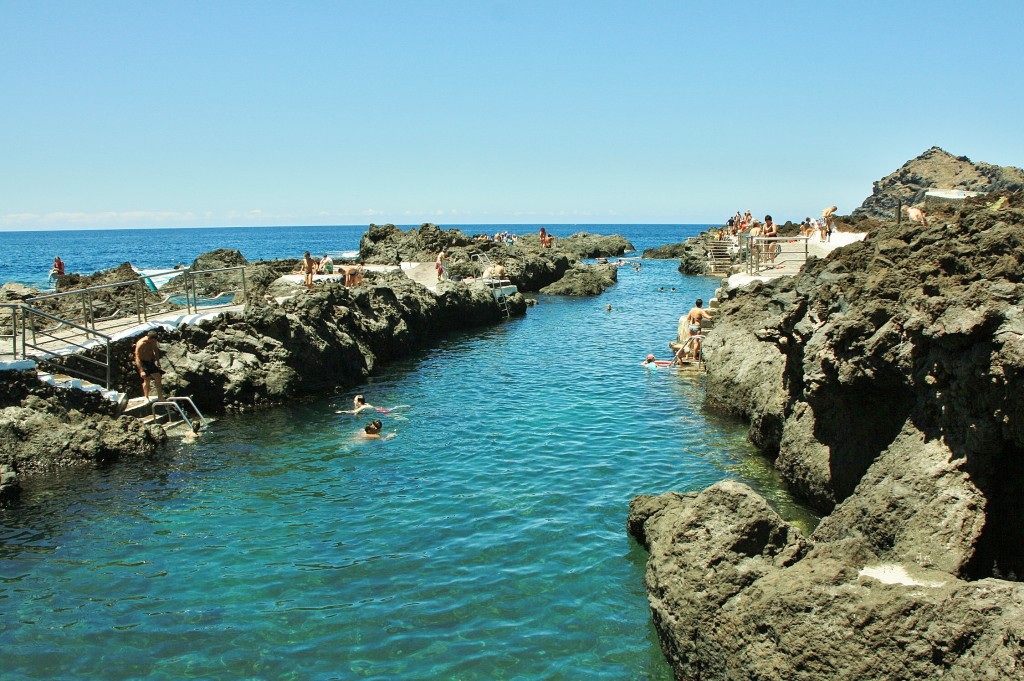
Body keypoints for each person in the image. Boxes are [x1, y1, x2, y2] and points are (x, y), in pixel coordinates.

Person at [134, 330, 165, 401]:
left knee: (158, 377)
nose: (154, 343)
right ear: (149, 338)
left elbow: (156, 351)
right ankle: (146, 397)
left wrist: (158, 361)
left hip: (150, 361)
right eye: (153, 341)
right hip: (143, 362)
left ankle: (160, 396)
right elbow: (137, 357)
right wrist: (141, 370)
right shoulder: (141, 344)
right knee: (147, 379)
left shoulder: (153, 342)